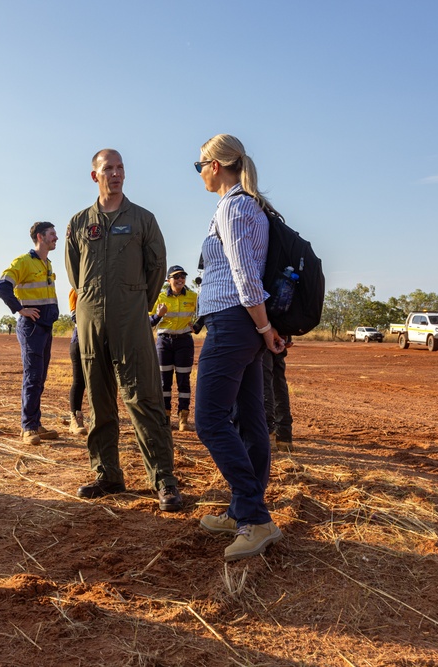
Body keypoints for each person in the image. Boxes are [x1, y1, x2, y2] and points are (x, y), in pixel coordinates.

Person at [64, 149, 182, 512]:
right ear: (94, 175)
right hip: (89, 318)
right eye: (107, 169)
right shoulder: (80, 222)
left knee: (144, 398)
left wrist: (133, 302)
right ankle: (107, 474)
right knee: (99, 401)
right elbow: (74, 272)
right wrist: (93, 301)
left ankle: (163, 480)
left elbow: (156, 267)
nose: (115, 174)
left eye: (120, 168)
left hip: (130, 318)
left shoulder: (143, 219)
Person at [192, 134, 287, 562]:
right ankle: (241, 511)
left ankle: (255, 515)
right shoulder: (246, 205)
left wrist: (265, 327)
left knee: (209, 419)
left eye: (199, 167)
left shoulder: (235, 206)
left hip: (235, 320)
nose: (200, 175)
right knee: (249, 421)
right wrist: (262, 329)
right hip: (242, 322)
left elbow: (245, 274)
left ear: (215, 165)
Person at [0, 221, 60, 445]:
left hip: (46, 326)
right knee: (33, 377)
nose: (56, 238)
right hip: (31, 327)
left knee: (40, 377)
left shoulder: (47, 264)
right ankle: (28, 428)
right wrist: (19, 308)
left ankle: (35, 423)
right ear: (40, 237)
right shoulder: (23, 262)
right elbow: (2, 286)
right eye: (52, 234)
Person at [149, 265, 199, 432]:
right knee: (164, 382)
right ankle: (165, 416)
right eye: (176, 277)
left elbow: (206, 313)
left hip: (184, 343)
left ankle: (183, 417)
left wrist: (197, 326)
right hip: (164, 343)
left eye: (182, 276)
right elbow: (148, 323)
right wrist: (158, 315)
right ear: (168, 280)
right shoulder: (159, 297)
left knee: (184, 381)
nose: (180, 280)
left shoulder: (193, 296)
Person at [263, 337, 294, 452]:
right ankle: (284, 436)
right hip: (280, 338)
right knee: (278, 382)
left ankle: (267, 434)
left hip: (262, 334)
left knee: (263, 381)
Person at [67, 289, 87, 436]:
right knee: (79, 381)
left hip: (100, 342)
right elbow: (76, 317)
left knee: (98, 382)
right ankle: (75, 419)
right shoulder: (76, 290)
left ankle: (101, 419)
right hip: (80, 341)